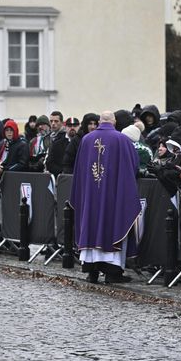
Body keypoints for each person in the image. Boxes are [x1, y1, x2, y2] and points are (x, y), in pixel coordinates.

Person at [71, 111, 141, 284]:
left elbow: (78, 172)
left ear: (100, 122)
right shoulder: (122, 140)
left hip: (90, 196)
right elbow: (134, 167)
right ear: (114, 122)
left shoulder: (86, 140)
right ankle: (112, 272)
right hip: (113, 196)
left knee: (91, 224)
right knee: (113, 224)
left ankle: (91, 271)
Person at [45, 111, 68, 176]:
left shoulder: (65, 137)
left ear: (62, 122)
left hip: (60, 174)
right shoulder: (49, 137)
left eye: (56, 121)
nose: (53, 123)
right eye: (51, 121)